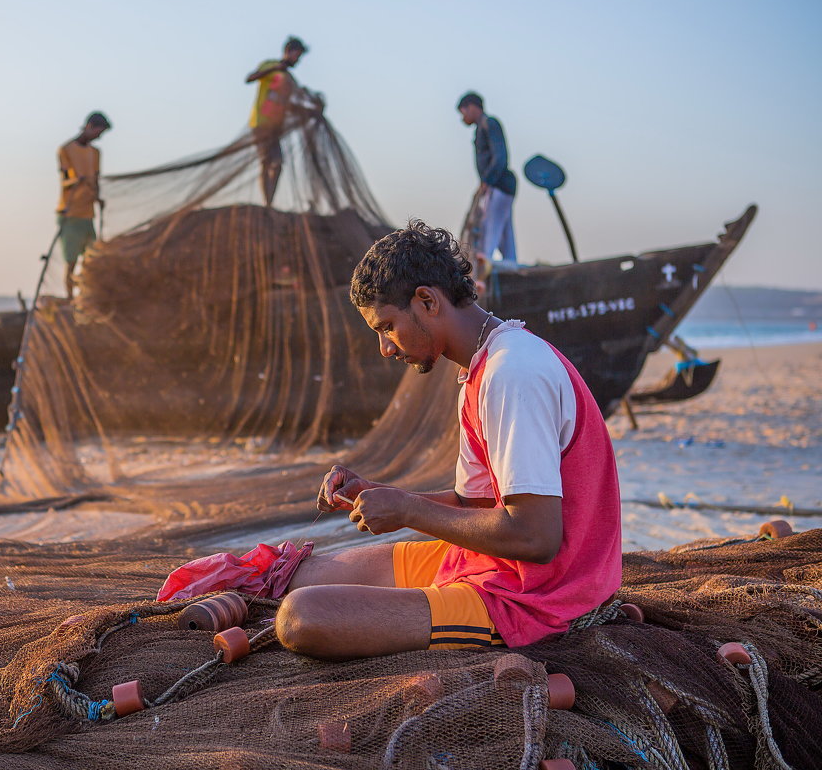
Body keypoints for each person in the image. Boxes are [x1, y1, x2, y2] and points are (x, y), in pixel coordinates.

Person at [273, 220, 621, 659]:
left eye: (387, 327)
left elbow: (536, 537)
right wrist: (382, 494)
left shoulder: (513, 371)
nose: (385, 348)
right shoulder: (482, 368)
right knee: (304, 576)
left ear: (427, 301)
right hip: (493, 566)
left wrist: (406, 509)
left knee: (301, 615)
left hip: (539, 598)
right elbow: (475, 508)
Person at [245, 36, 322, 207]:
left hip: (276, 127)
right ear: (289, 51)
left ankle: (268, 202)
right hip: (260, 122)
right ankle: (267, 203)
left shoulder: (290, 80)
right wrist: (274, 68)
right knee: (266, 161)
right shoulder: (270, 66)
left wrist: (312, 107)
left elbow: (291, 103)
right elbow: (249, 78)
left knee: (278, 163)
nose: (298, 60)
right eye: (298, 55)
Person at [457, 92, 518, 265]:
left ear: (473, 107)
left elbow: (500, 157)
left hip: (498, 186)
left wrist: (487, 181)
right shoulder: (481, 128)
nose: (463, 117)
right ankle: (511, 267)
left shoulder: (489, 123)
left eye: (463, 111)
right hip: (499, 186)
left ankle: (483, 276)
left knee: (488, 235)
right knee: (506, 238)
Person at [56, 111, 111, 298]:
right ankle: (70, 299)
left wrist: (98, 198)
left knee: (92, 259)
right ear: (89, 127)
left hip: (88, 213)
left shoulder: (95, 153)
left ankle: (87, 297)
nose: (98, 137)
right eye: (98, 132)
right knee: (71, 260)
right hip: (70, 213)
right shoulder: (65, 150)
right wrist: (76, 181)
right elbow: (65, 180)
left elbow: (95, 181)